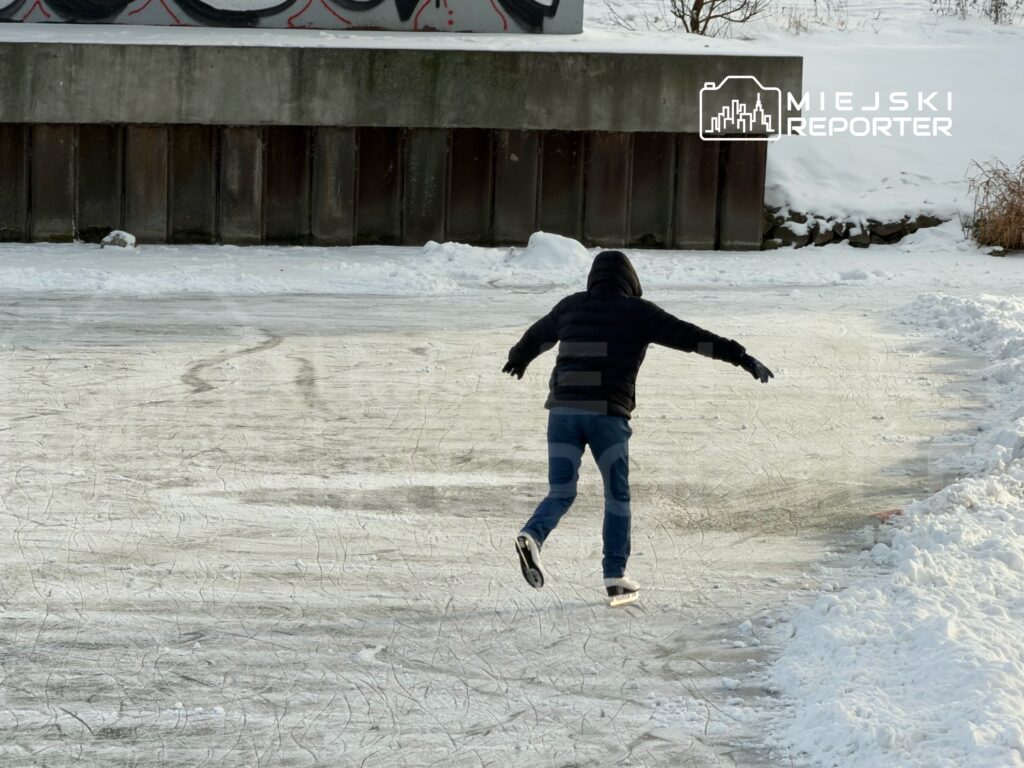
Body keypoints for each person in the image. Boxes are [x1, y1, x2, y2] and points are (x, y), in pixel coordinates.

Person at [502, 250, 773, 604]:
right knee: (617, 496)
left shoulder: (570, 306)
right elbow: (693, 338)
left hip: (563, 412)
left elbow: (538, 335)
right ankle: (615, 576)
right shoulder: (638, 312)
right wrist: (740, 356)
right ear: (630, 280)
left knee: (561, 492)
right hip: (606, 416)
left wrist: (518, 358)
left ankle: (532, 536)